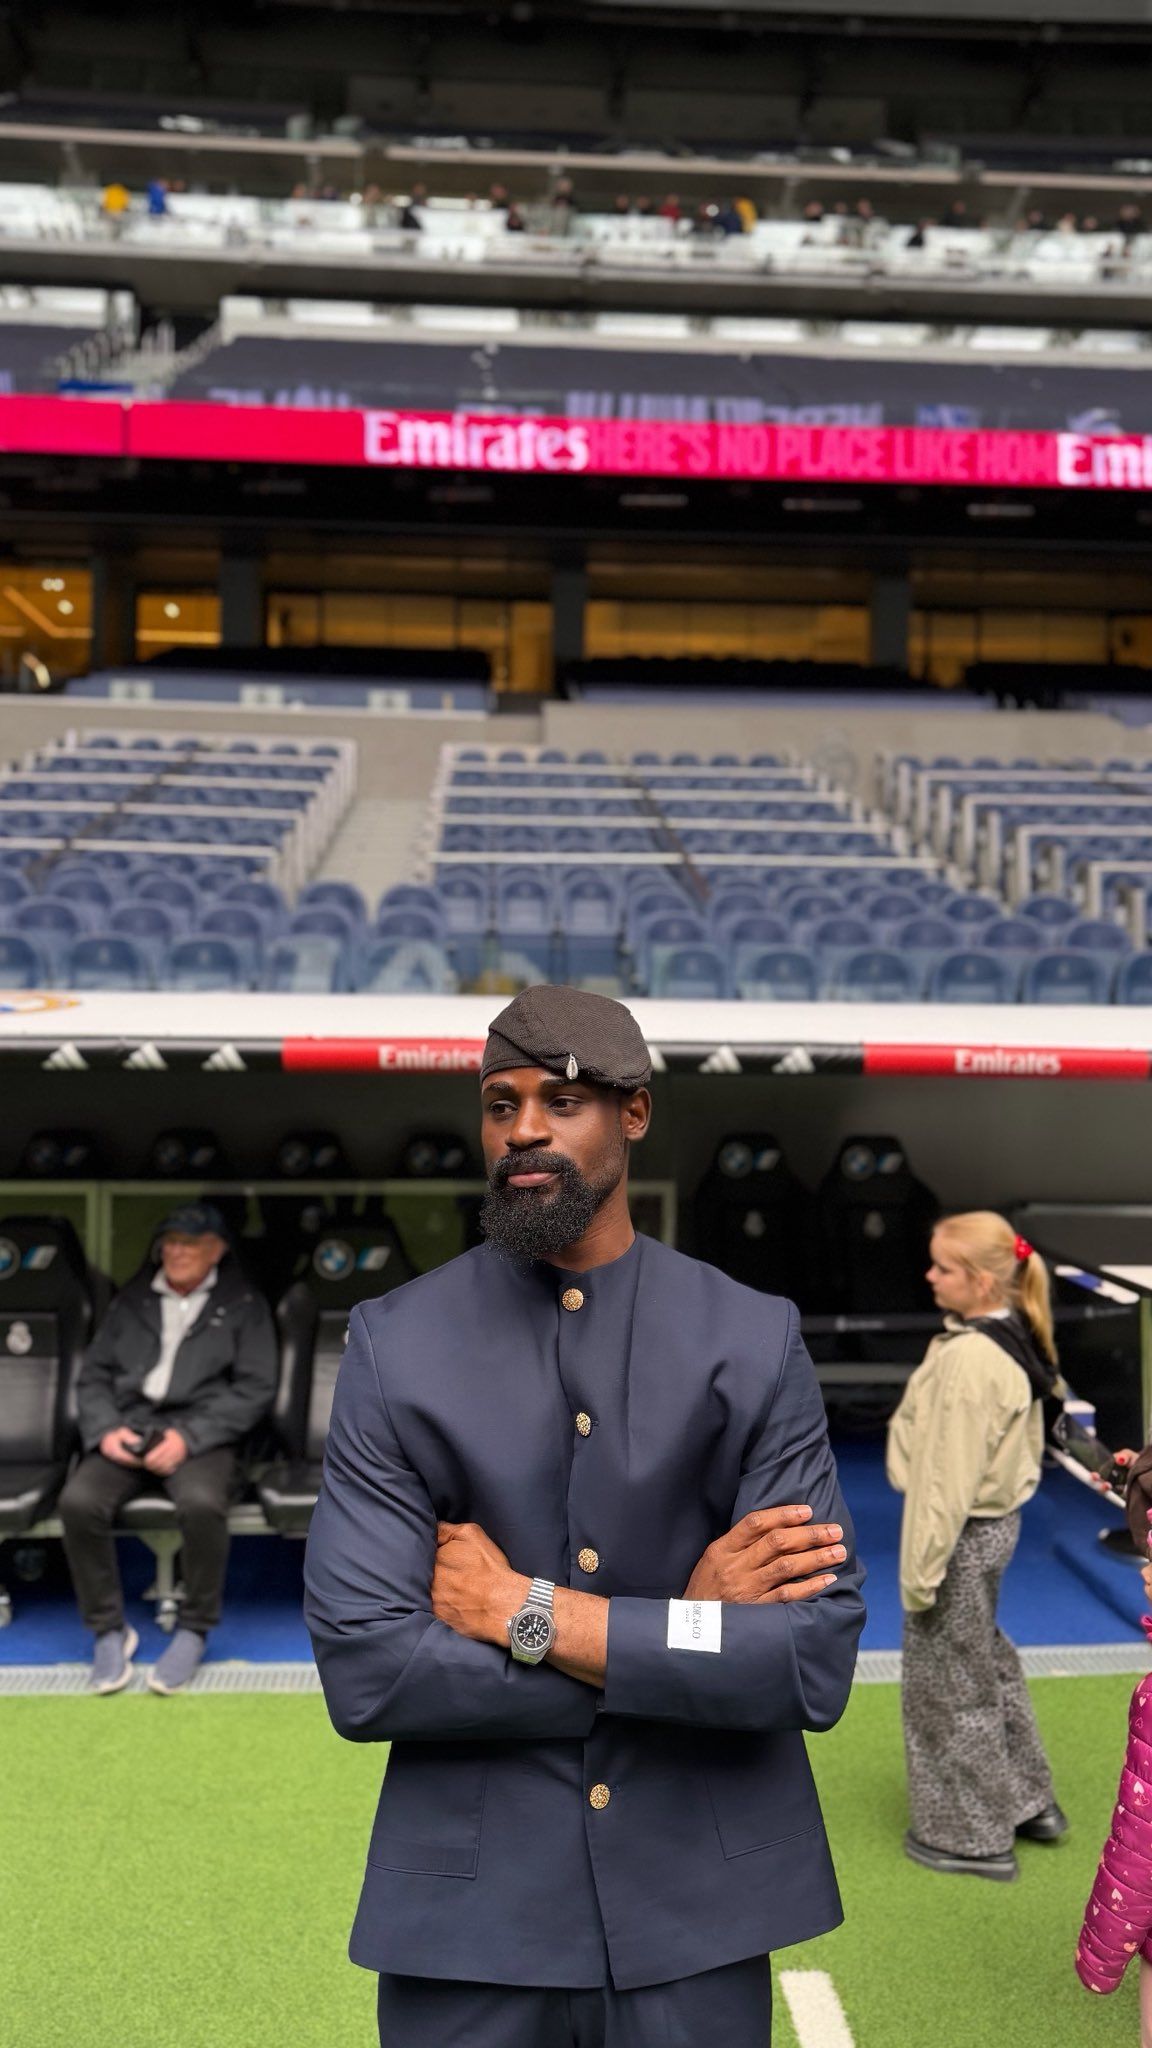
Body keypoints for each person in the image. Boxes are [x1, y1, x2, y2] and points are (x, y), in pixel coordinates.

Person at [305, 984, 865, 2048]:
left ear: (635, 1112)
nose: (523, 1128)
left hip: (695, 1911)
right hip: (469, 1923)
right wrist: (675, 1636)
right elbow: (371, 1668)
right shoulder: (395, 1342)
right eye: (501, 1101)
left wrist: (534, 1614)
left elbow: (810, 1656)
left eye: (563, 1099)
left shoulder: (750, 1337)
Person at [887, 1211, 1066, 1881]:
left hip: (960, 1536)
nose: (929, 1276)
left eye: (943, 1267)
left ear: (982, 1280)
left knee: (948, 1683)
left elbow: (944, 1482)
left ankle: (971, 1837)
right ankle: (1027, 1800)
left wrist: (920, 1572)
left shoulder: (969, 1359)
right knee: (983, 1659)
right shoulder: (1007, 1334)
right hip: (991, 1531)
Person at [59, 1203, 278, 1698]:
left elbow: (255, 1388)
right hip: (129, 1428)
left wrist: (190, 1438)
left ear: (217, 1251)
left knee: (202, 1504)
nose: (177, 1252)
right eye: (171, 1242)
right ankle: (108, 1630)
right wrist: (105, 1429)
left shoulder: (244, 1302)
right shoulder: (131, 1300)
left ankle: (194, 1627)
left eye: (191, 1243)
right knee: (77, 1502)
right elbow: (93, 1377)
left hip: (202, 1435)